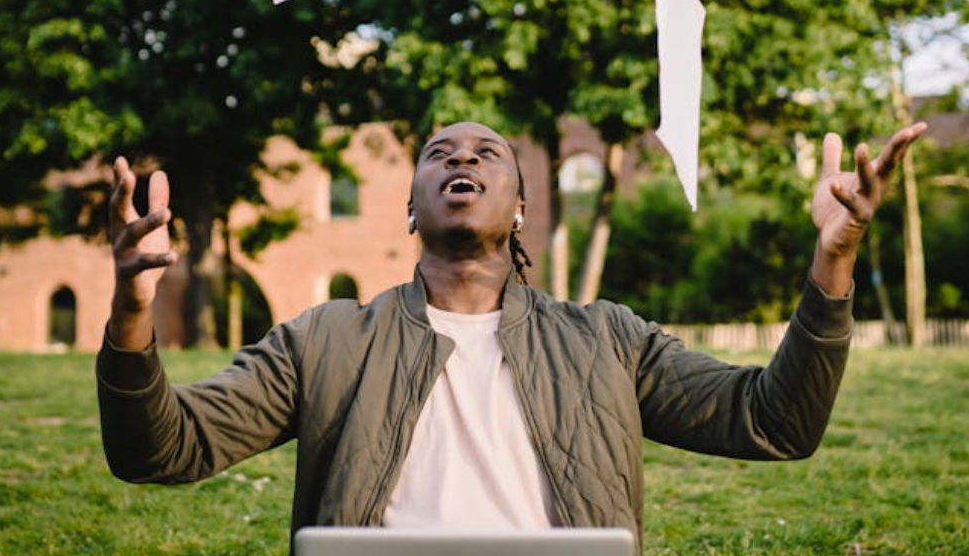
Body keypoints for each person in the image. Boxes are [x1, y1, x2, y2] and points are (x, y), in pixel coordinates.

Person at [97, 120, 926, 550]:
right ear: (413, 206)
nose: (464, 158)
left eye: (489, 152)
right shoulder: (327, 339)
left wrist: (833, 261)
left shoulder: (607, 338)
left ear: (521, 208)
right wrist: (134, 307)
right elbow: (160, 452)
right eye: (440, 153)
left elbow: (775, 423)